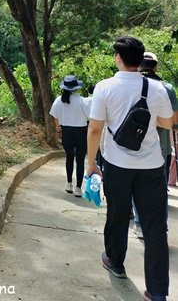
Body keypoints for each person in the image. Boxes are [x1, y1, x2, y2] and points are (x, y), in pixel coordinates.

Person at [86, 36, 174, 301]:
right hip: (151, 167)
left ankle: (115, 261)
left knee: (118, 214)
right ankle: (157, 292)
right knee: (155, 228)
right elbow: (168, 124)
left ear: (118, 58)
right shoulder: (157, 89)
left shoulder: (104, 87)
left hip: (117, 165)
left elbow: (95, 128)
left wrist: (91, 164)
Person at [132, 51, 178, 239]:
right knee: (159, 191)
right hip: (161, 148)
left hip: (133, 144)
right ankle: (160, 227)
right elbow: (174, 121)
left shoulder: (131, 84)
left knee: (136, 187)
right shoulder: (167, 88)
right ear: (156, 67)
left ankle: (139, 223)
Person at [49, 75, 89, 197]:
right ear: (76, 88)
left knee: (69, 157)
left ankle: (69, 184)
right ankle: (78, 188)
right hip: (81, 131)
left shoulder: (58, 100)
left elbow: (54, 115)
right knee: (80, 160)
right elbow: (89, 116)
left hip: (66, 131)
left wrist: (58, 127)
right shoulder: (82, 100)